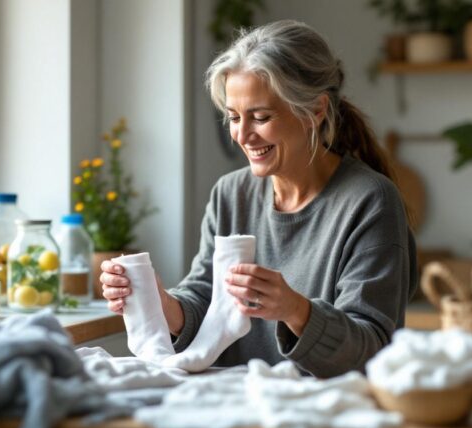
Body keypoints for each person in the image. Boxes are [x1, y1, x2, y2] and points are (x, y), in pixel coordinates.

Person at [101, 20, 417, 377]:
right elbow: (206, 301)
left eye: (261, 117)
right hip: (234, 404)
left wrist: (295, 310)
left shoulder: (370, 201)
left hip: (326, 414)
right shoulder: (230, 193)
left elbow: (373, 348)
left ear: (315, 111)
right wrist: (161, 305)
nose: (243, 135)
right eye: (234, 118)